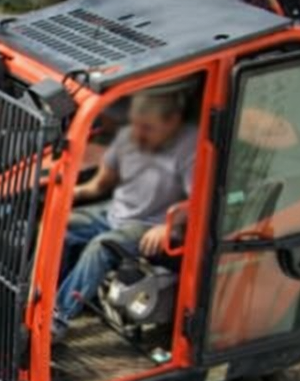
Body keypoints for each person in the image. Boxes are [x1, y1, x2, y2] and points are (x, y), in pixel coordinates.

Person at [53, 88, 198, 339]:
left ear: (172, 121)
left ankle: (58, 318)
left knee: (102, 246)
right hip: (113, 214)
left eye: (148, 128)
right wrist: (65, 194)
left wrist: (168, 227)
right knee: (59, 226)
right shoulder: (127, 138)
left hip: (149, 225)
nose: (138, 135)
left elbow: (199, 199)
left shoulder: (190, 148)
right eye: (136, 126)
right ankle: (35, 300)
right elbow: (99, 185)